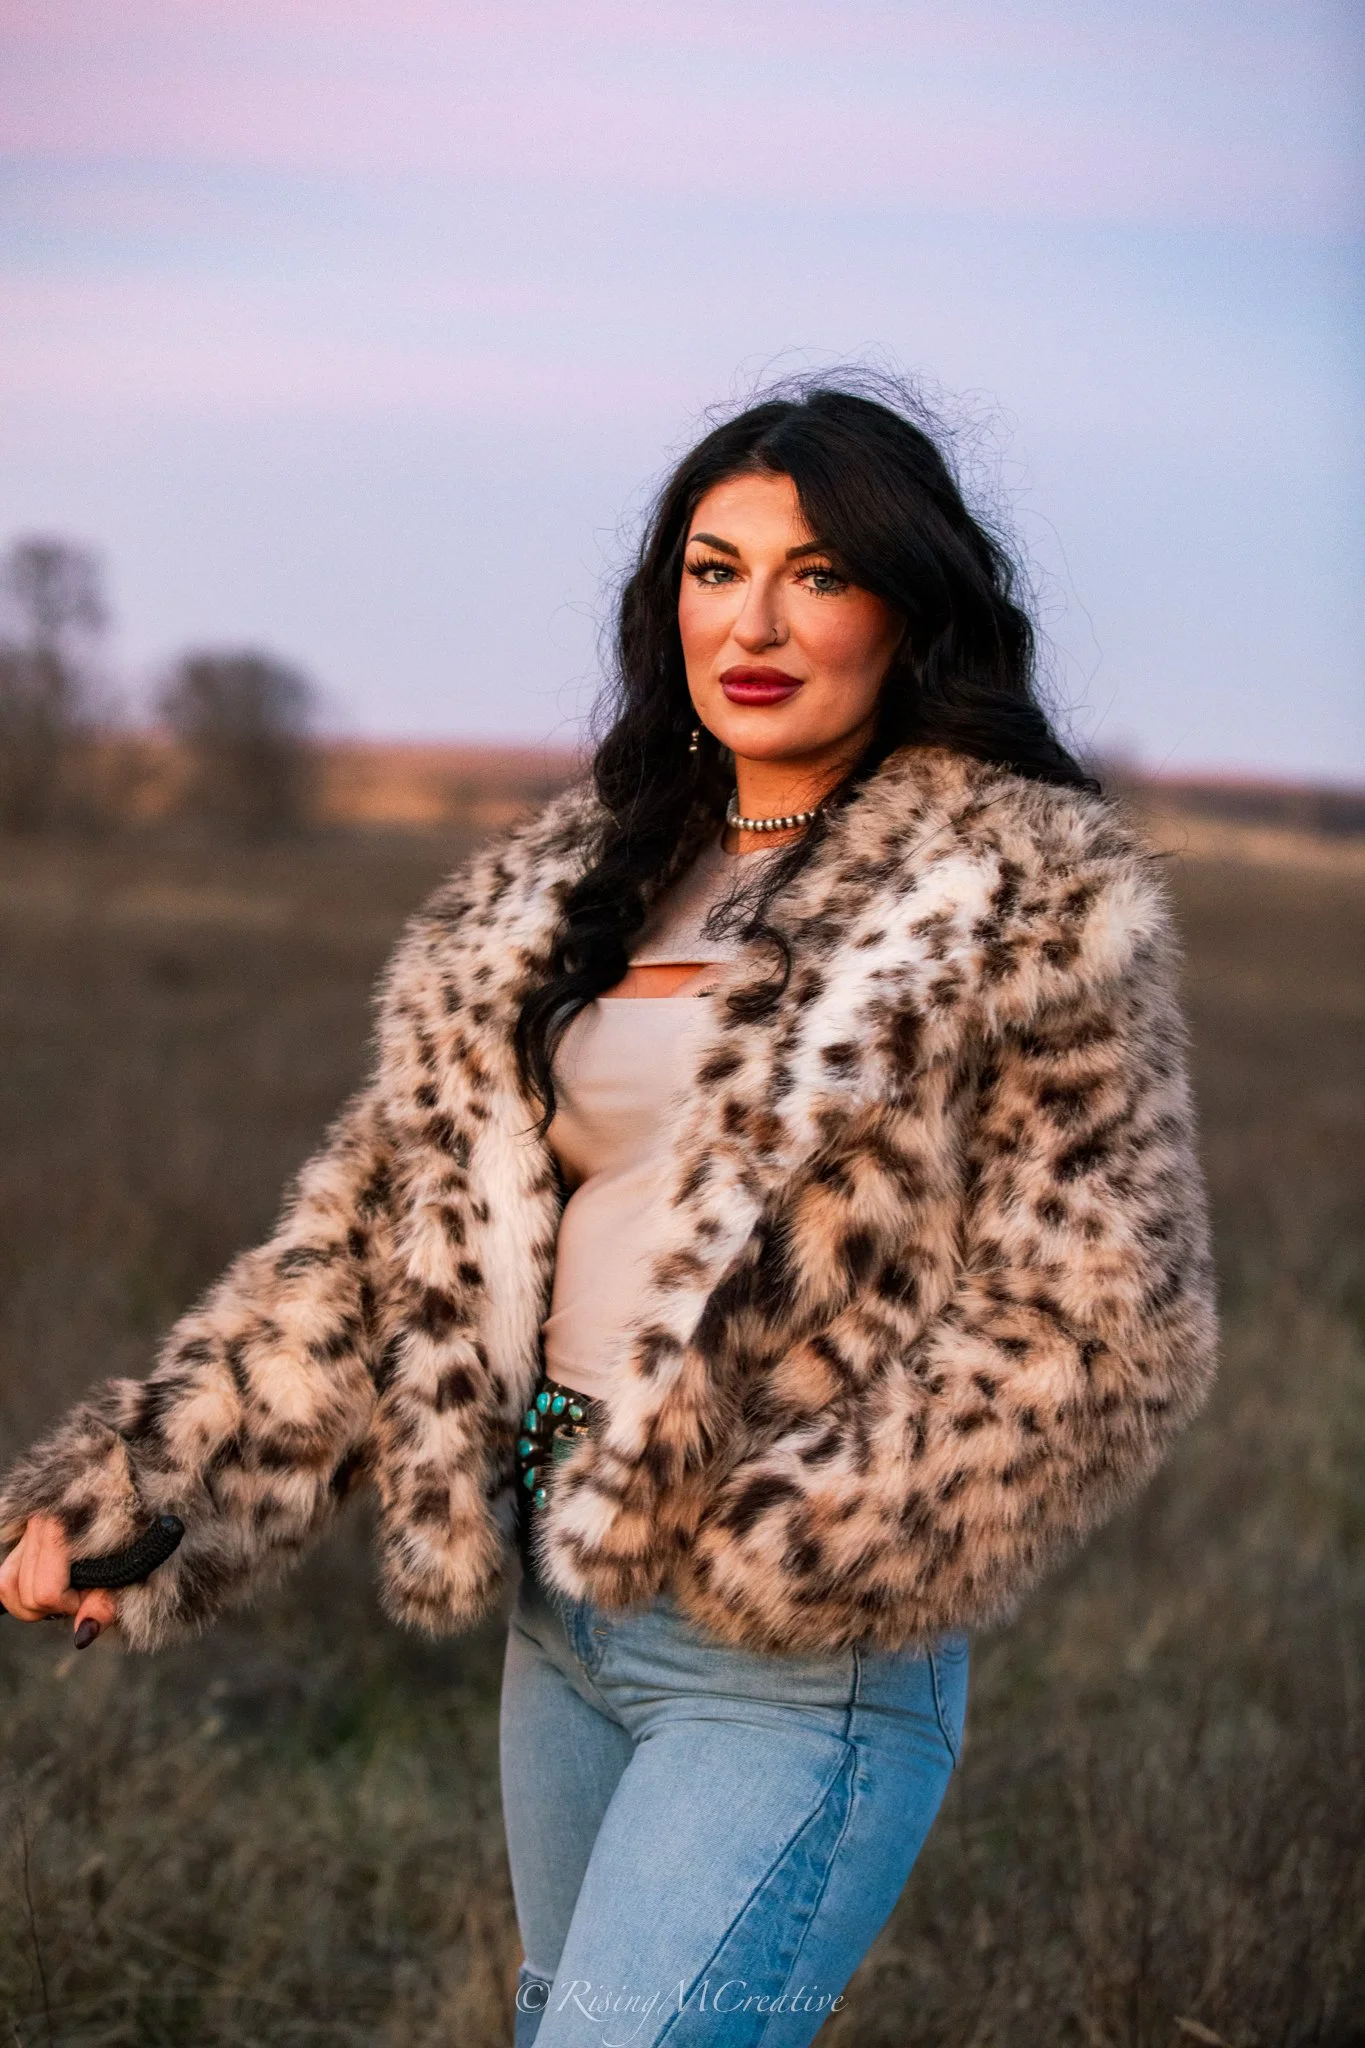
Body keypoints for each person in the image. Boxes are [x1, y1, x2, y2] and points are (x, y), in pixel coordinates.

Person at [0, 377, 1218, 2046]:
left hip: (782, 1655)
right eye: (715, 571)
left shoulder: (1014, 895)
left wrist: (805, 1540)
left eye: (821, 573)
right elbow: (373, 1255)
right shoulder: (564, 886)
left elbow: (1106, 1311)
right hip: (555, 1621)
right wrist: (146, 1493)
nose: (758, 623)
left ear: (912, 607)